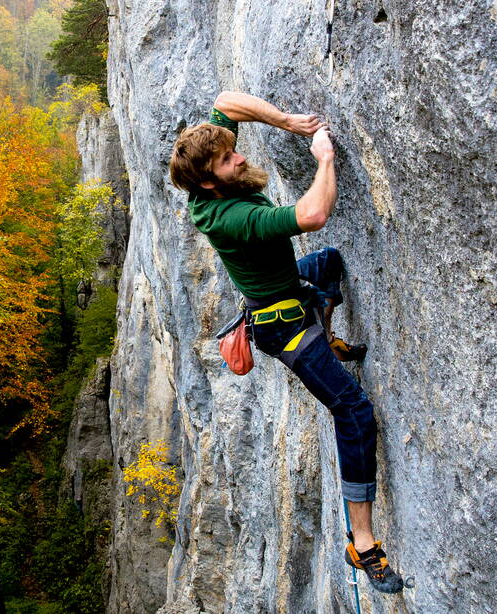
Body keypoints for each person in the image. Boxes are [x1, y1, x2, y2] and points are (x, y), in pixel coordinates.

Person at [168, 91, 404, 594]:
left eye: (234, 149)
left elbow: (226, 101)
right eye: (231, 159)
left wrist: (289, 122)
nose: (242, 156)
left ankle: (331, 337)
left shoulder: (204, 182)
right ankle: (362, 542)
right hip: (283, 328)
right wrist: (323, 156)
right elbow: (313, 214)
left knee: (329, 262)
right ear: (211, 182)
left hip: (288, 291)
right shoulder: (231, 219)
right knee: (354, 411)